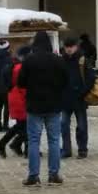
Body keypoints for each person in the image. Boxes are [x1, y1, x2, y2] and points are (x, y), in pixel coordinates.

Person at [18, 31, 68, 186]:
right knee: (54, 140)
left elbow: (21, 82)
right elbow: (65, 80)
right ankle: (54, 174)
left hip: (34, 105)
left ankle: (33, 176)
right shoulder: (58, 60)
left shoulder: (29, 60)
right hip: (54, 105)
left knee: (34, 141)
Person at [60, 37, 96, 160]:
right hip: (65, 99)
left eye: (71, 46)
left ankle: (82, 149)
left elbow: (91, 78)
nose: (69, 49)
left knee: (81, 126)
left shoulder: (82, 60)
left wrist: (82, 92)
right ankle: (66, 149)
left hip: (79, 98)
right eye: (67, 46)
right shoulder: (61, 60)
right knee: (64, 124)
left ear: (76, 47)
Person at [0, 45, 31, 158]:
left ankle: (10, 144)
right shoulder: (20, 68)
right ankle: (25, 149)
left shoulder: (14, 66)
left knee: (21, 125)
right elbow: (23, 86)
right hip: (20, 98)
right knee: (25, 126)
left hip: (15, 96)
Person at [0, 40, 12, 132]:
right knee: (7, 106)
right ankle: (5, 125)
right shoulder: (9, 59)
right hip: (6, 85)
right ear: (8, 48)